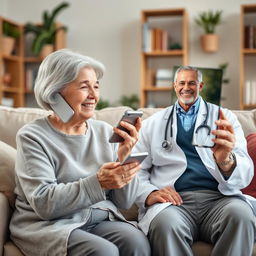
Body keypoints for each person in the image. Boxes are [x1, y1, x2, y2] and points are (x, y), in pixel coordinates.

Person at [9, 49, 150, 256]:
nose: (94, 95)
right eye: (84, 87)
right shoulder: (32, 136)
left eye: (96, 86)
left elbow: (125, 202)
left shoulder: (104, 131)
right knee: (103, 252)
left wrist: (125, 157)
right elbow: (43, 203)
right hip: (49, 225)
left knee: (136, 242)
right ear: (55, 93)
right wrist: (99, 182)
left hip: (97, 218)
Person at [134, 66, 255, 256]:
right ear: (174, 86)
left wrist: (225, 160)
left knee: (241, 216)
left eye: (191, 83)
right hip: (174, 202)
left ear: (201, 85)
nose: (186, 87)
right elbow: (136, 169)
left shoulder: (224, 118)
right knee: (164, 224)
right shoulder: (153, 123)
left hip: (220, 199)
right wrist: (149, 193)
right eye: (181, 83)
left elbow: (245, 172)